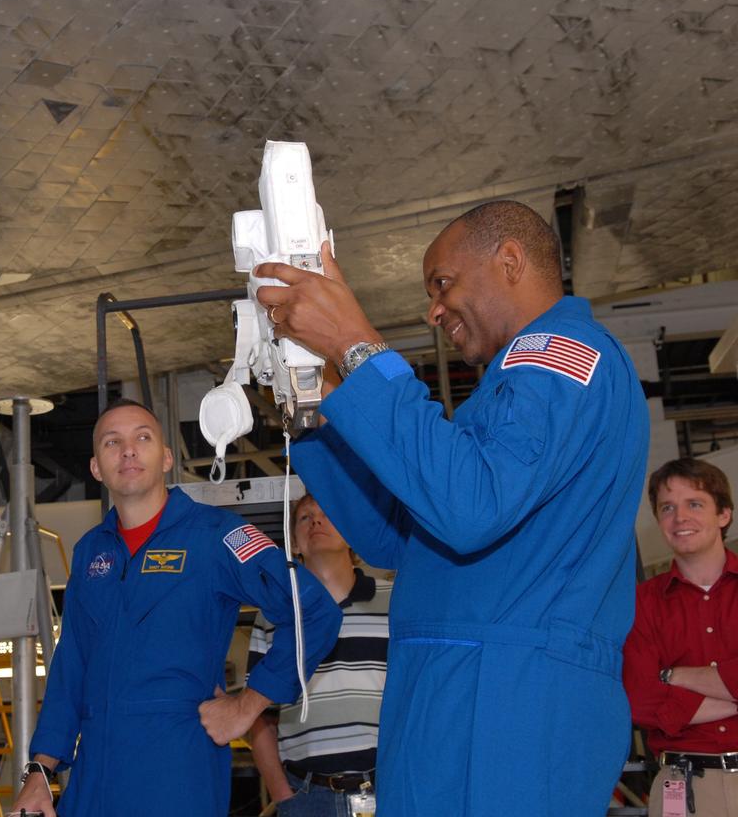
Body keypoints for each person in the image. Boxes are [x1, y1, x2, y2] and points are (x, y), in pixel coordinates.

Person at [256, 200, 650, 816]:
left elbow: (469, 505)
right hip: (452, 687)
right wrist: (317, 401)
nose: (433, 309)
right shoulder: (504, 389)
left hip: (510, 701)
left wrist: (356, 347)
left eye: (442, 284)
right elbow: (399, 534)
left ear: (511, 261)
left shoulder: (560, 353)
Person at [9, 398, 342, 817]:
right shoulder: (90, 552)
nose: (128, 450)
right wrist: (40, 771)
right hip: (95, 778)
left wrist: (249, 704)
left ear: (166, 458)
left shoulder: (218, 535)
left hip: (177, 770)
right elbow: (70, 666)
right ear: (96, 467)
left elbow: (313, 612)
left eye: (142, 438)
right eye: (112, 443)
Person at [248, 494, 390, 816]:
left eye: (327, 513)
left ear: (350, 534)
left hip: (386, 789)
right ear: (294, 544)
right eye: (304, 517)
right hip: (308, 796)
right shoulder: (274, 614)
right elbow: (260, 718)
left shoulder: (391, 603)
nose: (315, 520)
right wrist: (283, 795)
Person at [624, 458, 738, 816]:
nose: (680, 518)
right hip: (686, 786)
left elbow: (657, 692)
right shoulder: (639, 604)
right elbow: (640, 699)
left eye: (695, 504)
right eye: (668, 507)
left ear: (724, 515)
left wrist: (675, 675)